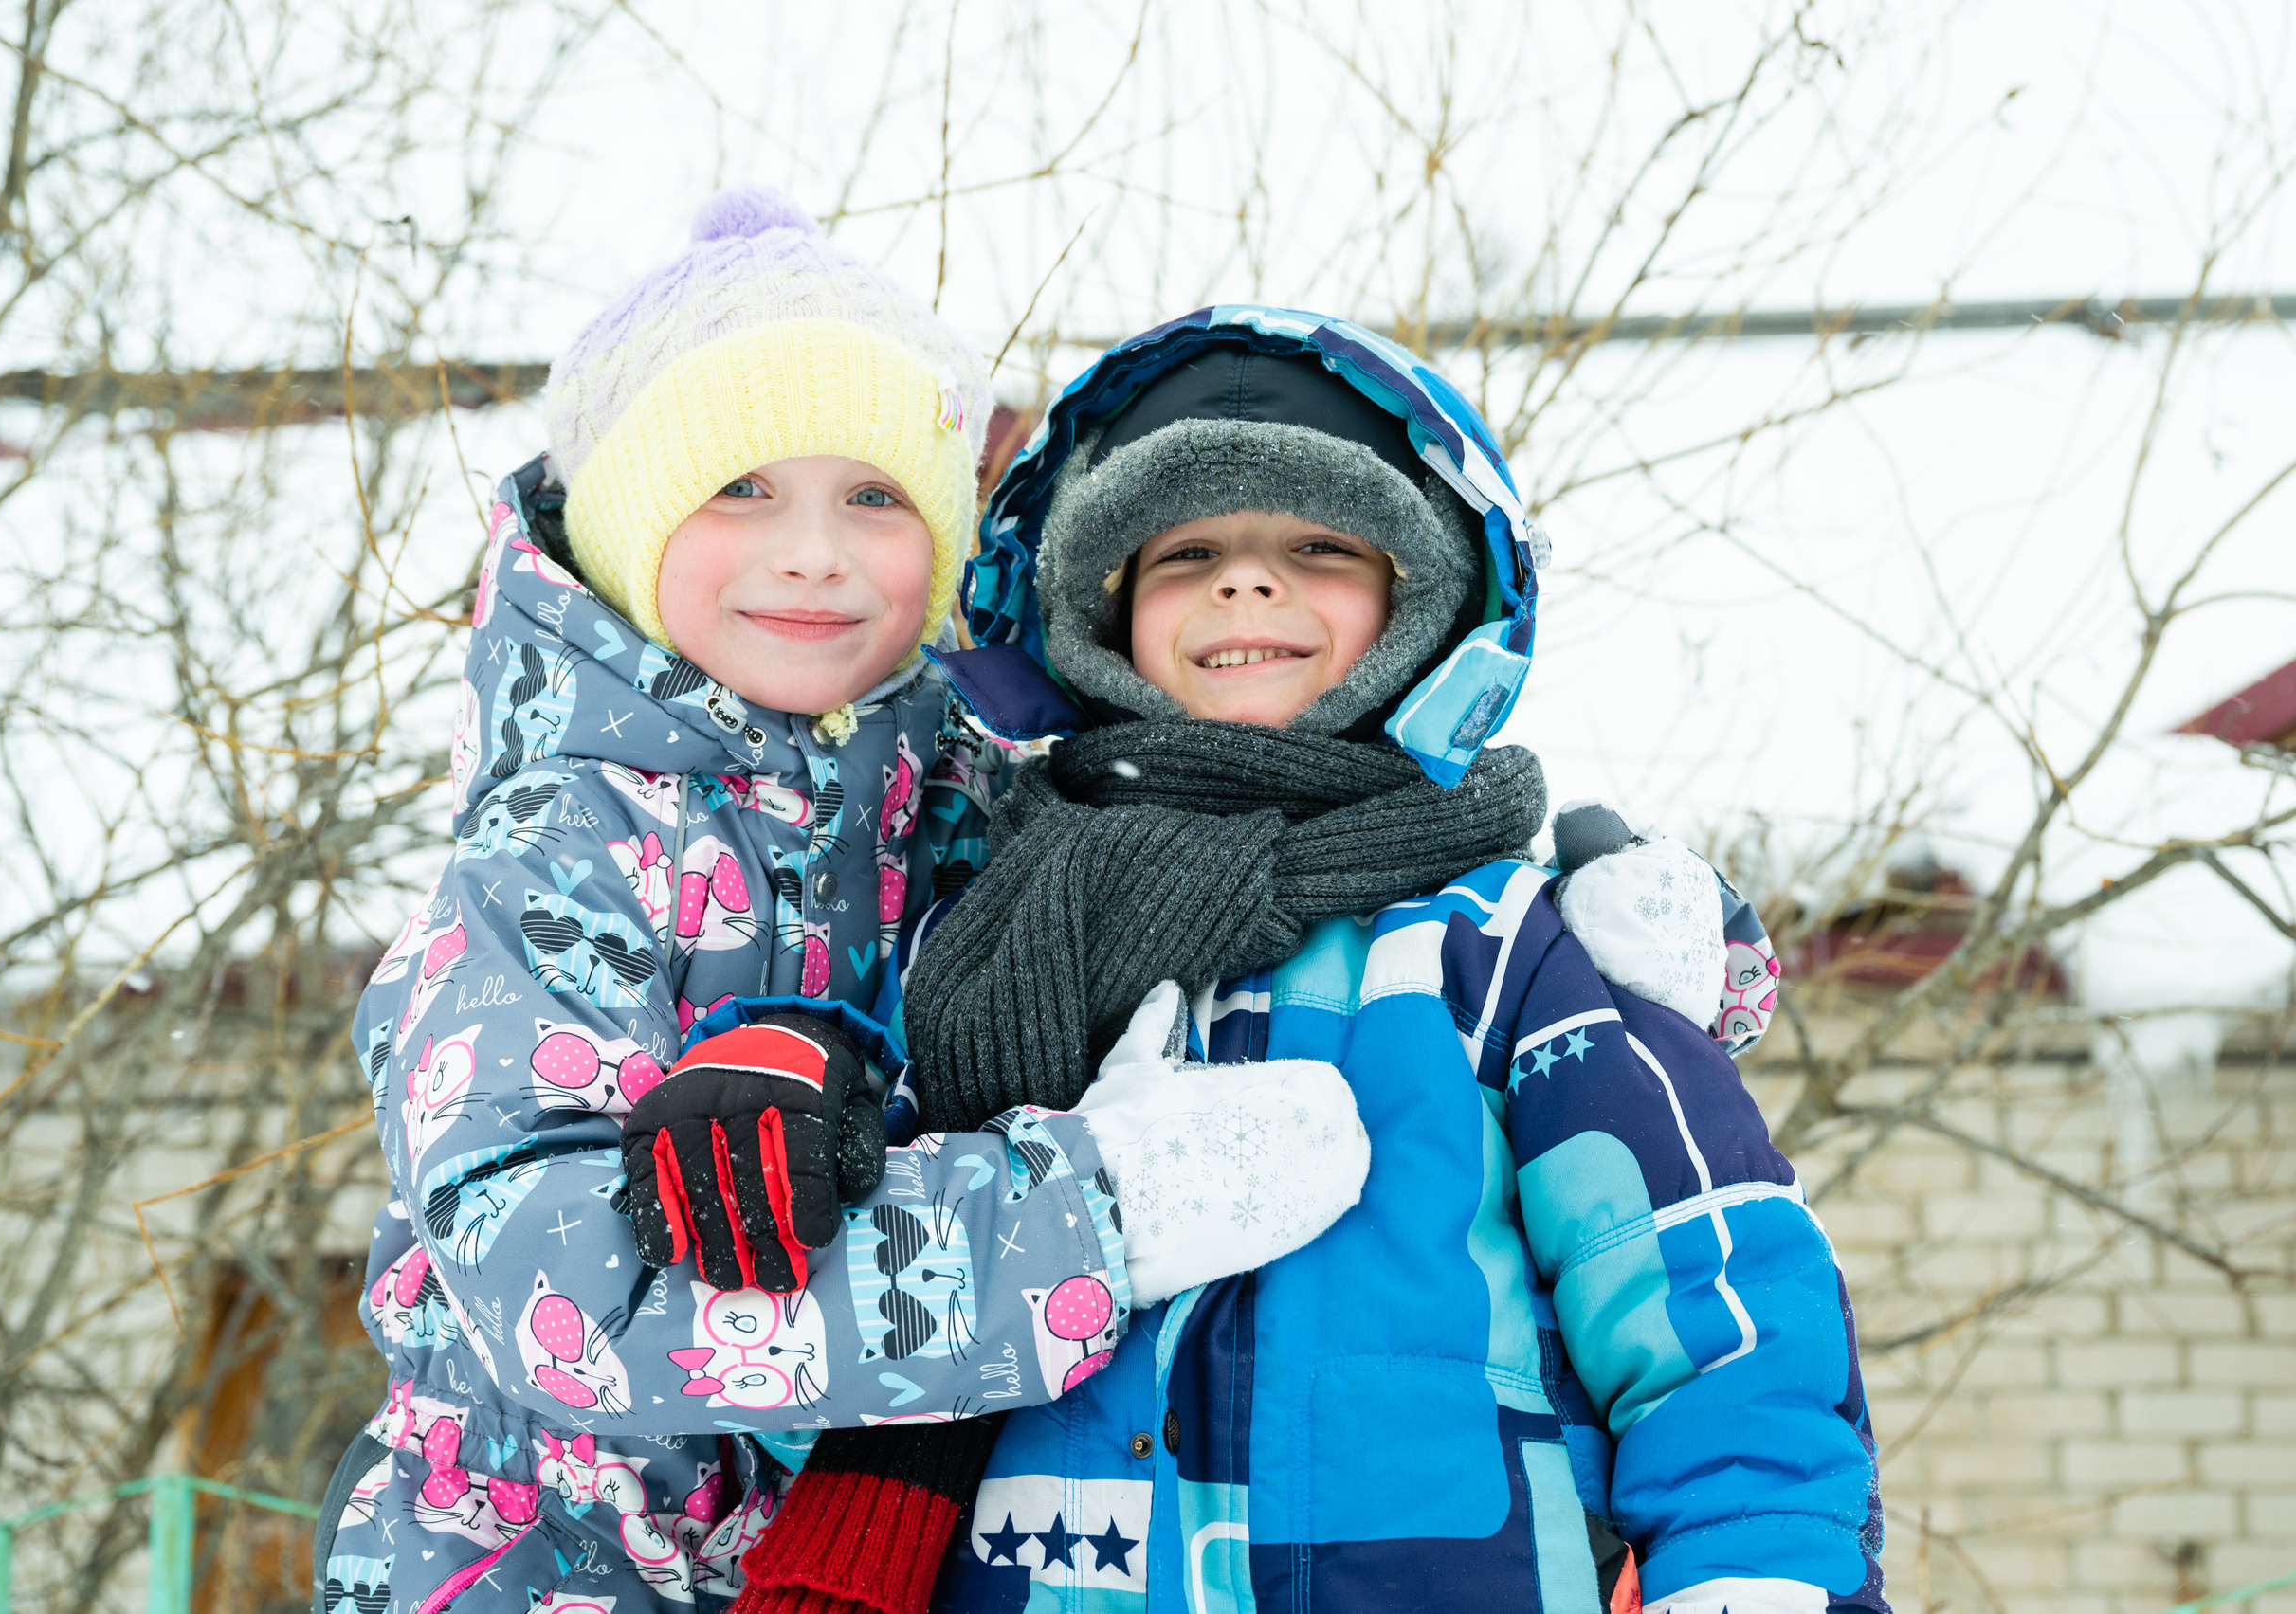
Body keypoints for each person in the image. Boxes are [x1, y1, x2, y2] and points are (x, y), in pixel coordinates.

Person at [317, 197, 1372, 1614]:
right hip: (544, 1570)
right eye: (739, 487)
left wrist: (1605, 946)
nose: (813, 551)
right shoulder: (558, 845)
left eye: (875, 496)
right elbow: (560, 1297)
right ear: (630, 523)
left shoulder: (956, 792)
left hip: (867, 1561)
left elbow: (1225, 828)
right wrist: (1090, 1217)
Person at [727, 315, 1875, 1614]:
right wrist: (785, 1075)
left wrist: (1756, 1574)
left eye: (1319, 545)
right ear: (1100, 611)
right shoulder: (974, 938)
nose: (1247, 585)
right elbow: (816, 1328)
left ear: (1421, 600)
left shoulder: (1499, 952)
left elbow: (1710, 1301)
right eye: (1192, 552)